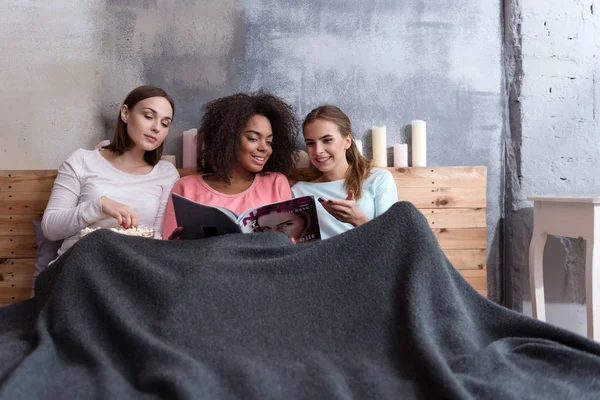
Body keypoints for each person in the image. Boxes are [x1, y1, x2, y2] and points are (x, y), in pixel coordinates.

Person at [41, 85, 180, 259]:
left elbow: (158, 237)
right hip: (79, 266)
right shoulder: (82, 160)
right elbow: (50, 228)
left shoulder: (166, 174)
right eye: (148, 116)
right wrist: (99, 206)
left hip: (132, 268)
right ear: (125, 113)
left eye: (165, 123)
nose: (156, 128)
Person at [163, 91, 299, 239]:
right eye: (253, 138)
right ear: (228, 139)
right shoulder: (186, 187)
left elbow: (291, 244)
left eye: (269, 142)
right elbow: (168, 248)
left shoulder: (276, 183)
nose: (264, 148)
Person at [291, 105, 398, 239]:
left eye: (327, 140)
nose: (318, 151)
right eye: (310, 143)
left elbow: (392, 241)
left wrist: (357, 219)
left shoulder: (378, 179)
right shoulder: (299, 192)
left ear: (347, 141)